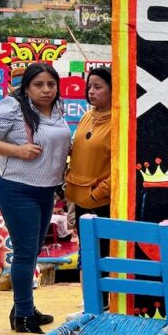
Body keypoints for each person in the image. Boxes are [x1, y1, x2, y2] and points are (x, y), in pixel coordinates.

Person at [0, 62, 71, 333]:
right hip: (17, 187)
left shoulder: (57, 107)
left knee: (33, 250)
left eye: (51, 84)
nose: (46, 90)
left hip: (46, 188)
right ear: (26, 87)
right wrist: (16, 151)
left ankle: (23, 307)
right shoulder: (12, 107)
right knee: (26, 252)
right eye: (39, 84)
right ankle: (24, 316)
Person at [66, 67, 113, 223]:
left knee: (103, 247)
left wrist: (98, 193)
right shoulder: (87, 115)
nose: (91, 91)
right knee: (85, 247)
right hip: (79, 198)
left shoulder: (120, 122)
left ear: (113, 90)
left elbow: (123, 167)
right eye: (89, 87)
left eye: (98, 87)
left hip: (102, 203)